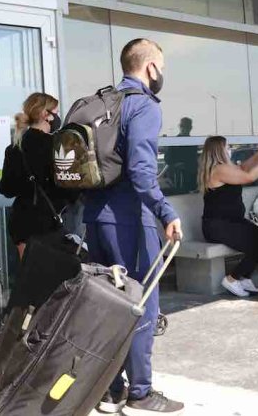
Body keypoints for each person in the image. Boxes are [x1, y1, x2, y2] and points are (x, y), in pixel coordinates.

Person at [84, 38, 184, 414]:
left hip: (95, 218)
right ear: (151, 69)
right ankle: (140, 393)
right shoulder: (142, 106)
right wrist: (166, 212)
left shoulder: (100, 105)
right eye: (162, 68)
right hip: (130, 220)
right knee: (139, 304)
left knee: (107, 303)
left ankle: (109, 390)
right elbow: (142, 172)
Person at [199, 136, 258, 297]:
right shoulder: (218, 170)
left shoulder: (225, 167)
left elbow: (243, 169)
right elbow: (249, 177)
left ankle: (244, 277)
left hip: (232, 222)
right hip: (218, 226)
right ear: (220, 150)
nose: (230, 149)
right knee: (257, 244)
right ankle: (232, 279)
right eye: (227, 147)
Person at [0, 93, 73, 258]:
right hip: (48, 222)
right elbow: (69, 190)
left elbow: (6, 189)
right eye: (56, 112)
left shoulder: (14, 148)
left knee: (30, 277)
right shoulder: (56, 147)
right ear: (45, 114)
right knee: (55, 279)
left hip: (22, 222)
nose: (58, 117)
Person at [164, 117, 198, 193]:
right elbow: (167, 159)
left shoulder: (193, 143)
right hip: (177, 180)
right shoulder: (173, 142)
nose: (184, 128)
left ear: (190, 128)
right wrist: (177, 164)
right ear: (179, 126)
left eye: (186, 126)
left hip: (190, 180)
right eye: (182, 126)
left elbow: (194, 161)